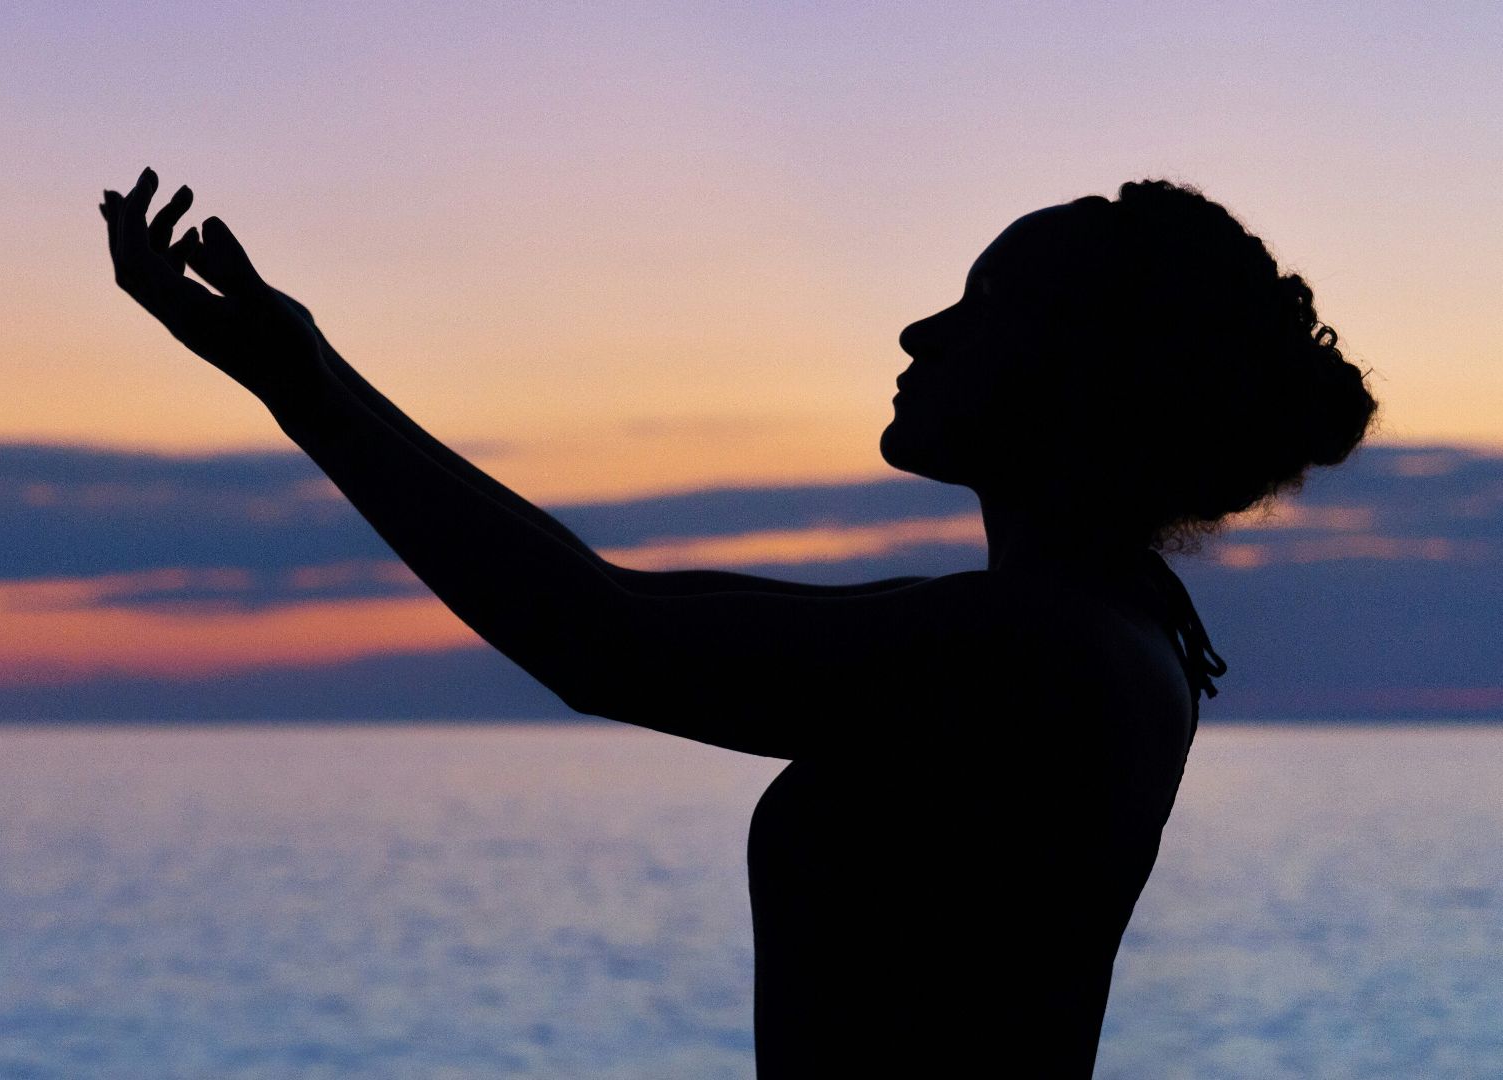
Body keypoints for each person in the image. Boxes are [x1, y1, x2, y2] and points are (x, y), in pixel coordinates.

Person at [99, 170, 1379, 1076]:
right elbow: (619, 606)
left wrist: (297, 385)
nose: (920, 328)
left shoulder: (1036, 654)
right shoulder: (1083, 628)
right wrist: (306, 370)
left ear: (1074, 374)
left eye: (979, 308)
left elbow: (599, 643)